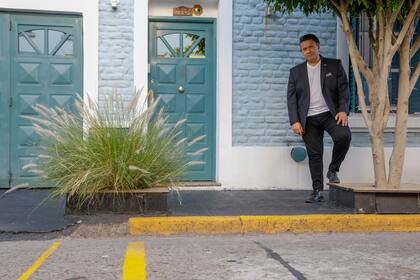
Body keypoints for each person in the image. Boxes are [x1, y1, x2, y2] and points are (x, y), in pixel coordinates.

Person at [287, 34, 351, 203]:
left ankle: (333, 169)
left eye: (311, 47)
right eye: (304, 49)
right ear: (301, 52)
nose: (308, 51)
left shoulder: (334, 65)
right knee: (315, 154)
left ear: (318, 46)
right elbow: (291, 98)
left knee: (343, 136)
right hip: (308, 118)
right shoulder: (296, 72)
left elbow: (344, 90)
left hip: (331, 114)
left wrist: (343, 110)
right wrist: (295, 121)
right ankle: (317, 191)